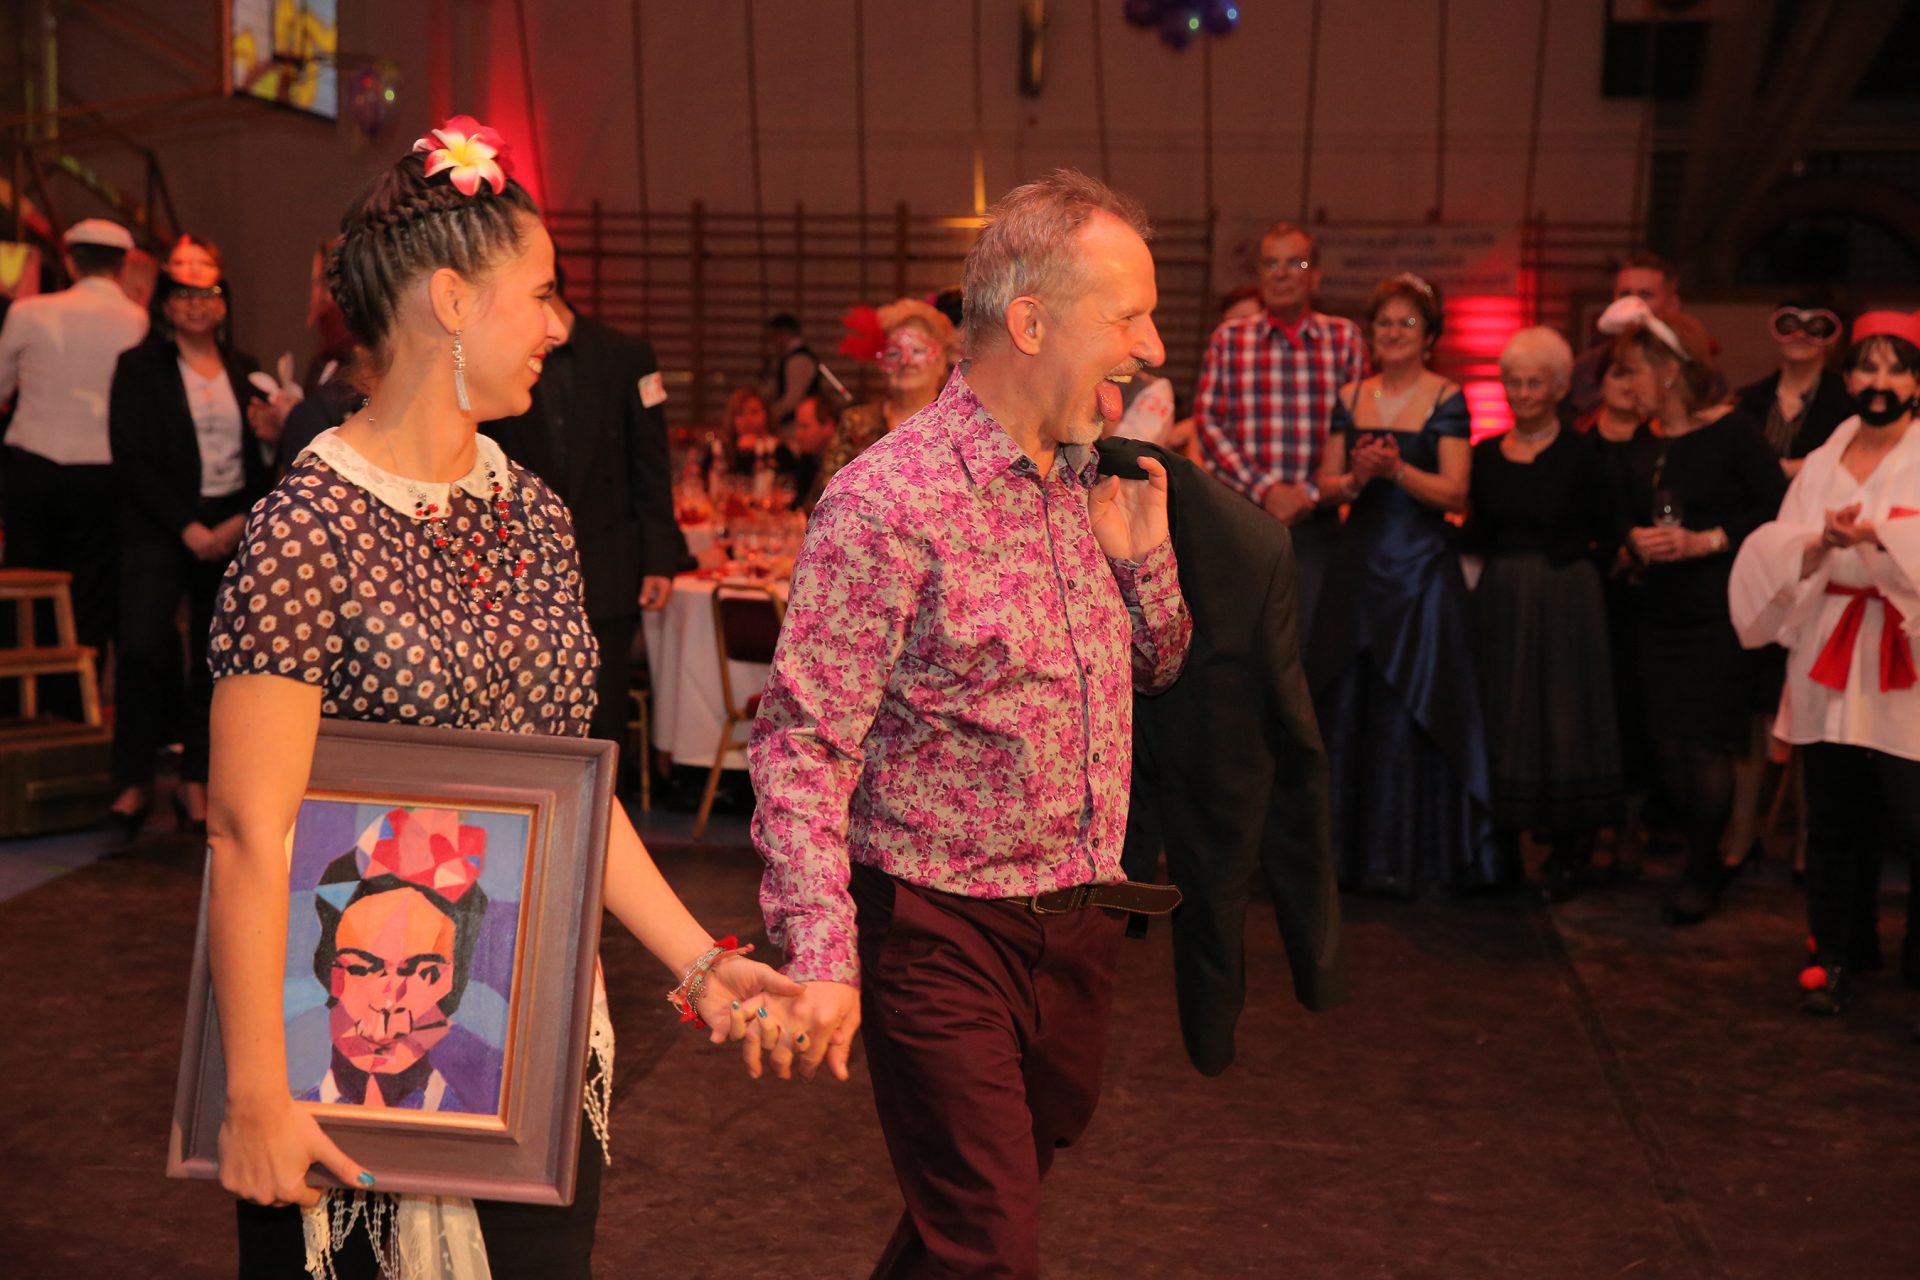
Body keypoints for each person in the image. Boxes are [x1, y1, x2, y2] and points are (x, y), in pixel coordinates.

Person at [203, 116, 802, 1278]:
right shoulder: (305, 527)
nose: (557, 324)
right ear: (451, 300)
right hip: (338, 1056)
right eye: (539, 293)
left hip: (529, 1043)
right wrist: (257, 1091)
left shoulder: (534, 514)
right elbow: (245, 827)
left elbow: (568, 792)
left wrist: (700, 963)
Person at [750, 170, 1191, 1279]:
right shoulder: (888, 501)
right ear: (1031, 322)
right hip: (939, 933)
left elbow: (1158, 667)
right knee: (990, 1241)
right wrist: (823, 954)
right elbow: (803, 739)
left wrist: (1144, 564)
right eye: (1128, 315)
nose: (1151, 347)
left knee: (971, 1223)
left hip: (1081, 929)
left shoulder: (1087, 479)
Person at [1730, 309, 1920, 1031]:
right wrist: (1819, 544)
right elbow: (1778, 542)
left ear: (1917, 383)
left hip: (1905, 653)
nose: (1880, 382)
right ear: (1849, 378)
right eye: (1868, 366)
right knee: (1835, 817)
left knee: (1912, 815)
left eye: (1896, 368)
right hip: (1828, 647)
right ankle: (1837, 952)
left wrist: (1883, 536)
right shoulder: (1822, 460)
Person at [1309, 273, 1498, 897]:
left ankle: (1415, 859)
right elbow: (1326, 487)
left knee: (1416, 706)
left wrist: (1397, 471)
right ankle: (1349, 858)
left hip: (1421, 577)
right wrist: (1357, 480)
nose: (1393, 332)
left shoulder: (1448, 397)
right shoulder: (1349, 396)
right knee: (1347, 706)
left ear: (1430, 336)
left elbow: (1456, 493)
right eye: (1384, 323)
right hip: (1358, 571)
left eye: (1407, 323)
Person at [1606, 297, 1787, 924]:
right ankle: (1697, 853)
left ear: (1670, 371)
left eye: (1632, 370)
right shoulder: (1642, 441)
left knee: (1709, 746)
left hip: (1715, 614)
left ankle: (1705, 867)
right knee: (1669, 747)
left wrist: (1707, 540)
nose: (1625, 383)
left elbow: (1776, 506)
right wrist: (1634, 539)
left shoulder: (1732, 433)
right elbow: (1618, 514)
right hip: (1657, 612)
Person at [483, 278, 686, 790]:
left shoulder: (626, 355)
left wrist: (659, 557)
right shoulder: (501, 358)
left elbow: (651, 460)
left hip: (607, 559)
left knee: (604, 711)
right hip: (521, 565)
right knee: (527, 708)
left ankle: (602, 822)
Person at [106, 248, 276, 834]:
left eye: (207, 294)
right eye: (182, 295)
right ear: (165, 305)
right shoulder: (138, 366)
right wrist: (188, 527)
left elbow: (262, 459)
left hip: (228, 525)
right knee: (141, 649)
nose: (195, 305)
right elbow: (131, 456)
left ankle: (196, 780)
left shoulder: (246, 368)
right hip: (160, 526)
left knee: (215, 658)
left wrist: (235, 521)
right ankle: (132, 780)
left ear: (223, 304)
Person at [1463, 328, 1621, 900]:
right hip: (1501, 598)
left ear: (1558, 388)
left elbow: (1608, 532)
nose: (1524, 393)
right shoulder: (1484, 456)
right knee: (1503, 714)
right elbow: (1475, 533)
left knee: (1564, 717)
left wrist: (1573, 584)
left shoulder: (1583, 455)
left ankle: (1568, 853)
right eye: (1515, 382)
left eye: (1535, 383)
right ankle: (1501, 850)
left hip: (1565, 600)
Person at [1721, 298, 1856, 875]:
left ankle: (1808, 842)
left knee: (1811, 706)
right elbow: (1730, 478)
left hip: (1824, 568)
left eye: (1817, 324)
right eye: (1788, 322)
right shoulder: (1747, 403)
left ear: (1834, 337)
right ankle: (1741, 832)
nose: (1801, 333)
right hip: (1758, 565)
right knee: (1751, 705)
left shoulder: (1851, 406)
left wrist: (1780, 470)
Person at [1194, 221, 1367, 637]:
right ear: (1260, 275)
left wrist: (1308, 494)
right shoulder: (1229, 339)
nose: (1282, 273)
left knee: (1312, 646)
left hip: (1318, 526)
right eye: (1271, 264)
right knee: (1241, 643)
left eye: (1296, 263)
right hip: (1245, 521)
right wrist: (1267, 490)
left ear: (1315, 277)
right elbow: (1209, 423)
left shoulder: (1344, 339)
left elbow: (1358, 426)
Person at [0, 219, 148, 701]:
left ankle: (19, 699)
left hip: (33, 463)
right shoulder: (138, 321)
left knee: (26, 582)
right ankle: (75, 700)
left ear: (68, 261)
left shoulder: (29, 311)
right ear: (122, 266)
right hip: (103, 469)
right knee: (91, 590)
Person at [1583, 350, 1662, 876]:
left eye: (1637, 373)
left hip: (1642, 594)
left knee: (1635, 713)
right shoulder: (1579, 443)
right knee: (1589, 707)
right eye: (1618, 373)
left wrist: (1634, 548)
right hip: (1588, 590)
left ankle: (1632, 827)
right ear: (1600, 382)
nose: (1628, 384)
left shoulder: (1660, 446)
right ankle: (1587, 825)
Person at [810, 296, 959, 505]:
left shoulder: (957, 427)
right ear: (881, 364)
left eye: (917, 351)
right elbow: (826, 497)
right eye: (894, 353)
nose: (905, 362)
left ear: (942, 362)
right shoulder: (856, 423)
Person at [758, 310, 820, 427]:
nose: (773, 341)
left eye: (775, 335)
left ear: (784, 333)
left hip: (795, 424)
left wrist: (769, 415)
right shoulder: (789, 358)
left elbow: (793, 399)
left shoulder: (799, 359)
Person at [789, 391, 836, 502]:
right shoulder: (808, 459)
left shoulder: (845, 463)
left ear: (828, 425)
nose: (798, 435)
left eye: (804, 427)